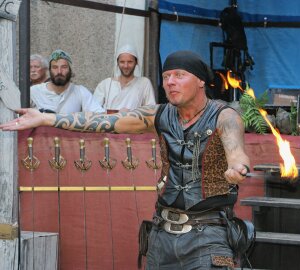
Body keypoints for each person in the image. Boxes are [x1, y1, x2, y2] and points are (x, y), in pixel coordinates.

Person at [1, 51, 250, 269]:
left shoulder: (224, 115)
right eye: (166, 77)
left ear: (200, 81)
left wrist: (237, 166)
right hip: (162, 235)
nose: (170, 82)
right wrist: (46, 118)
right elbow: (104, 122)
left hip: (209, 236)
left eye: (179, 75)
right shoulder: (158, 114)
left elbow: (236, 149)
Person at [30, 49, 105, 113]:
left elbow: (98, 114)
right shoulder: (34, 91)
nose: (59, 71)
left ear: (70, 70)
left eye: (64, 67)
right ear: (49, 70)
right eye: (55, 67)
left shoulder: (80, 91)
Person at [93, 44, 156, 112]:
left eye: (130, 62)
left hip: (133, 122)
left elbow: (151, 111)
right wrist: (118, 114)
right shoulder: (105, 84)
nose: (126, 66)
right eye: (122, 62)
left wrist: (130, 114)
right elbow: (93, 110)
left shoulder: (144, 83)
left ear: (136, 62)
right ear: (117, 63)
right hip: (108, 122)